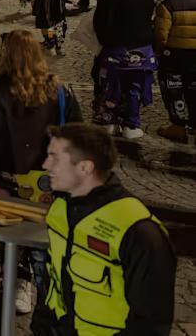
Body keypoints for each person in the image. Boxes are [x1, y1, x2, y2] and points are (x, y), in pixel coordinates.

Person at [0, 30, 82, 333]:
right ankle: (46, 323)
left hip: (0, 191)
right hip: (47, 193)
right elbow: (78, 140)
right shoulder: (60, 91)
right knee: (48, 265)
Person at [37, 123, 175, 335]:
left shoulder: (139, 231)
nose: (46, 165)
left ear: (85, 167)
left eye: (55, 158)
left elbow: (150, 323)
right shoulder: (60, 209)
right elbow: (52, 278)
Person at [93, 0, 158, 139]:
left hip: (116, 48)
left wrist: (104, 41)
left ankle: (110, 120)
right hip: (142, 49)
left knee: (110, 85)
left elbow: (100, 23)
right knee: (135, 87)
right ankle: (132, 123)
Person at [155, 0, 196, 143]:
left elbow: (161, 36)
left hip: (174, 57)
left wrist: (159, 52)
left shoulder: (167, 5)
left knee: (174, 91)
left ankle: (178, 126)